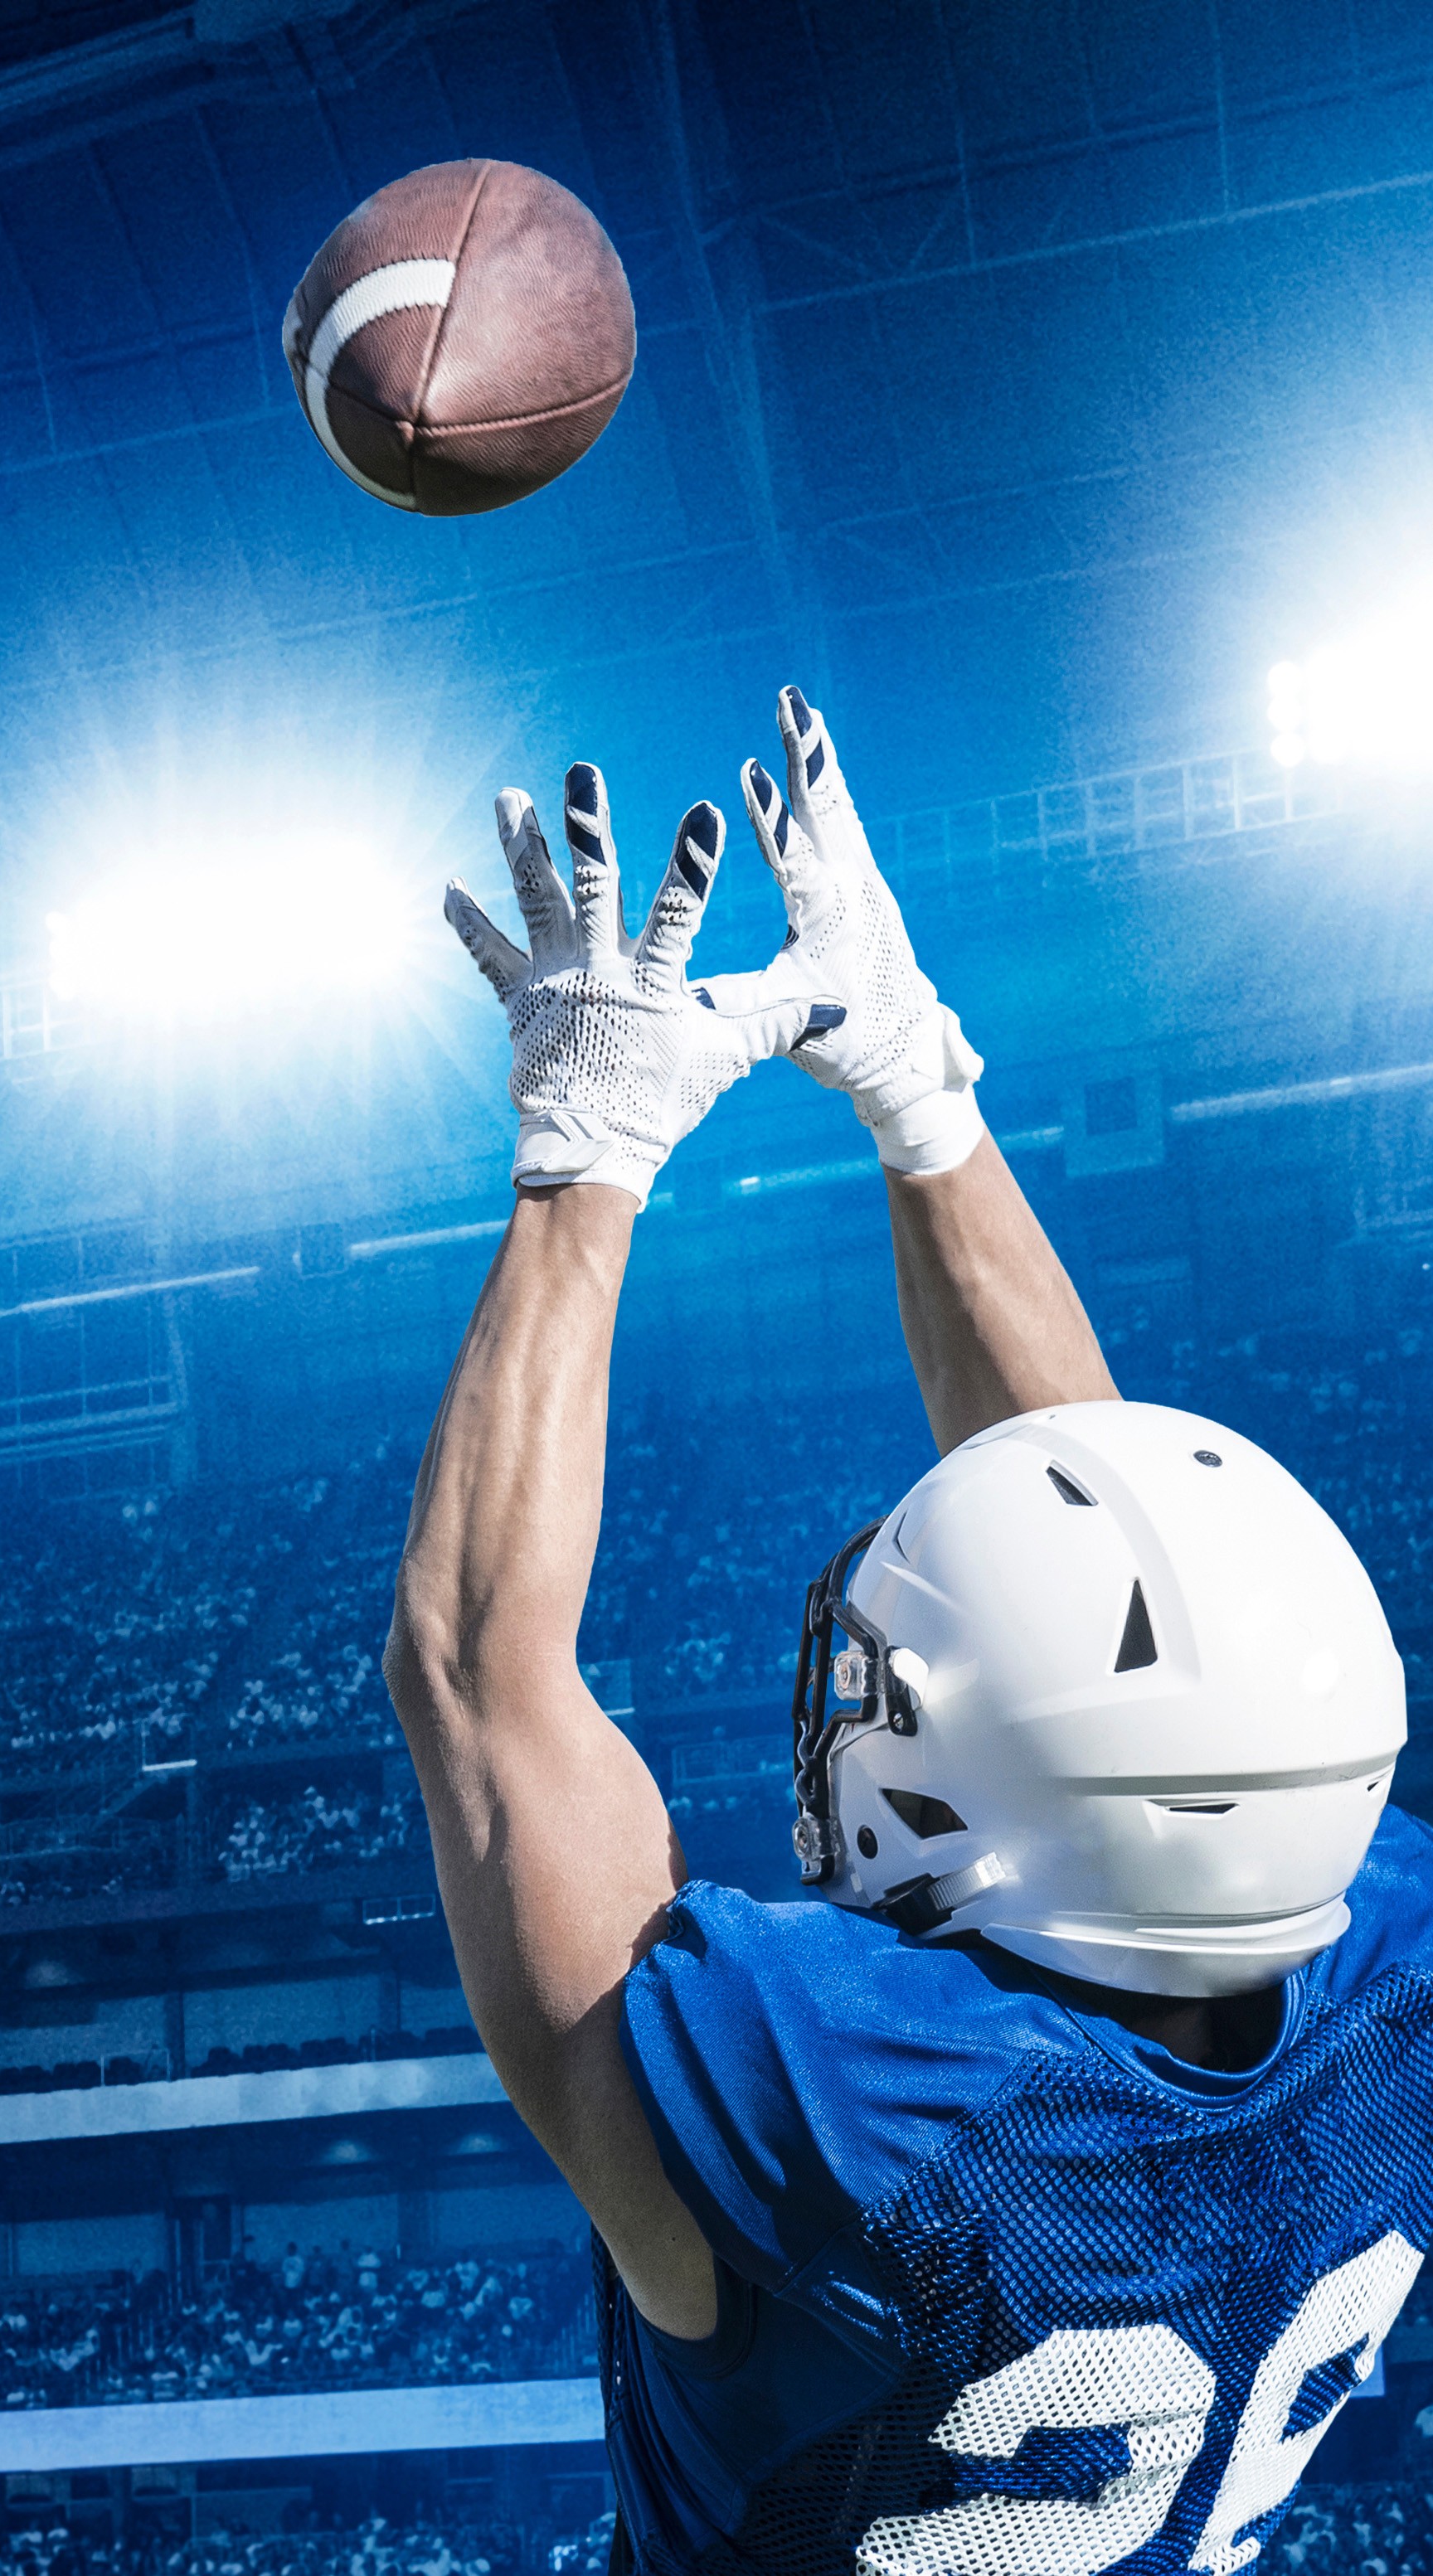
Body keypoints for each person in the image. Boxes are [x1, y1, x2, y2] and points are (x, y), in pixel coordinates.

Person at [386, 688, 1428, 2576]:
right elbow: (1123, 1569)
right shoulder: (1387, 1997)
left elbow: (476, 1683)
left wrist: (583, 1163)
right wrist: (923, 1102)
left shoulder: (865, 2114)